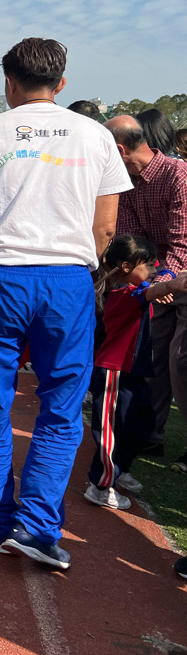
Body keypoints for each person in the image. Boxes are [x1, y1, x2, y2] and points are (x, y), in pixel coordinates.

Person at [0, 37, 132, 570]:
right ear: (62, 83)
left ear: (9, 82)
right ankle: (39, 525)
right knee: (61, 405)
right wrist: (74, 263)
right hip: (67, 280)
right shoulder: (96, 136)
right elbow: (106, 227)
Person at [105, 115, 187, 467]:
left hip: (181, 275)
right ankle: (149, 435)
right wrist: (144, 280)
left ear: (120, 149)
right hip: (156, 278)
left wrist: (161, 279)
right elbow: (131, 239)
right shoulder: (125, 182)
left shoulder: (177, 175)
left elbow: (182, 241)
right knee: (151, 356)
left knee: (181, 360)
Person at [85, 235, 187, 510]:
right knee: (110, 430)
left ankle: (120, 468)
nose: (154, 269)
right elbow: (147, 293)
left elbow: (148, 290)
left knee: (141, 423)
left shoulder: (136, 288)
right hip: (114, 371)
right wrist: (172, 283)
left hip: (132, 371)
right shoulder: (121, 294)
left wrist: (160, 285)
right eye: (148, 265)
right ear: (126, 267)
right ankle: (100, 485)